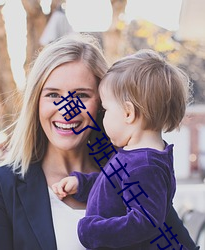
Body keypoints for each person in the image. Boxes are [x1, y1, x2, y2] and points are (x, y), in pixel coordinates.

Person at [0, 35, 198, 250]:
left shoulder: (134, 171)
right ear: (36, 102)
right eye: (53, 95)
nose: (66, 110)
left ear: (103, 103)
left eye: (81, 96)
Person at [52, 49, 199, 249]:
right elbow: (118, 187)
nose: (102, 117)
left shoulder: (145, 166)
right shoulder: (137, 157)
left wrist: (93, 230)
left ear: (128, 113)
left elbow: (144, 221)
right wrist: (83, 184)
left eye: (106, 109)